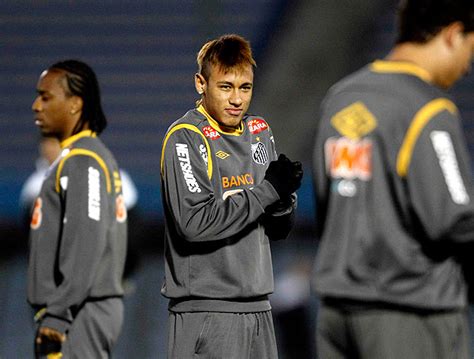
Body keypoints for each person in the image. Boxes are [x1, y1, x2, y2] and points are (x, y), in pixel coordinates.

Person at [312, 0, 474, 358]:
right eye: (470, 49)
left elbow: (328, 201)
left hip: (336, 314)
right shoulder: (428, 108)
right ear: (452, 34)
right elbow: (457, 219)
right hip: (408, 314)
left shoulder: (340, 98)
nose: (466, 68)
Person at [160, 34, 303, 358]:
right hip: (207, 311)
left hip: (259, 306)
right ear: (201, 83)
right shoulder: (187, 137)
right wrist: (267, 191)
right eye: (225, 87)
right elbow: (194, 223)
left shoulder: (259, 132)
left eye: (245, 88)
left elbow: (276, 228)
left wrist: (282, 204)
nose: (237, 99)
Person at [27, 60, 127, 358]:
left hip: (79, 313)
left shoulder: (83, 162)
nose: (36, 105)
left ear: (74, 104)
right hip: (74, 310)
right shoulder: (78, 158)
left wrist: (58, 314)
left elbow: (86, 241)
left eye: (46, 97)